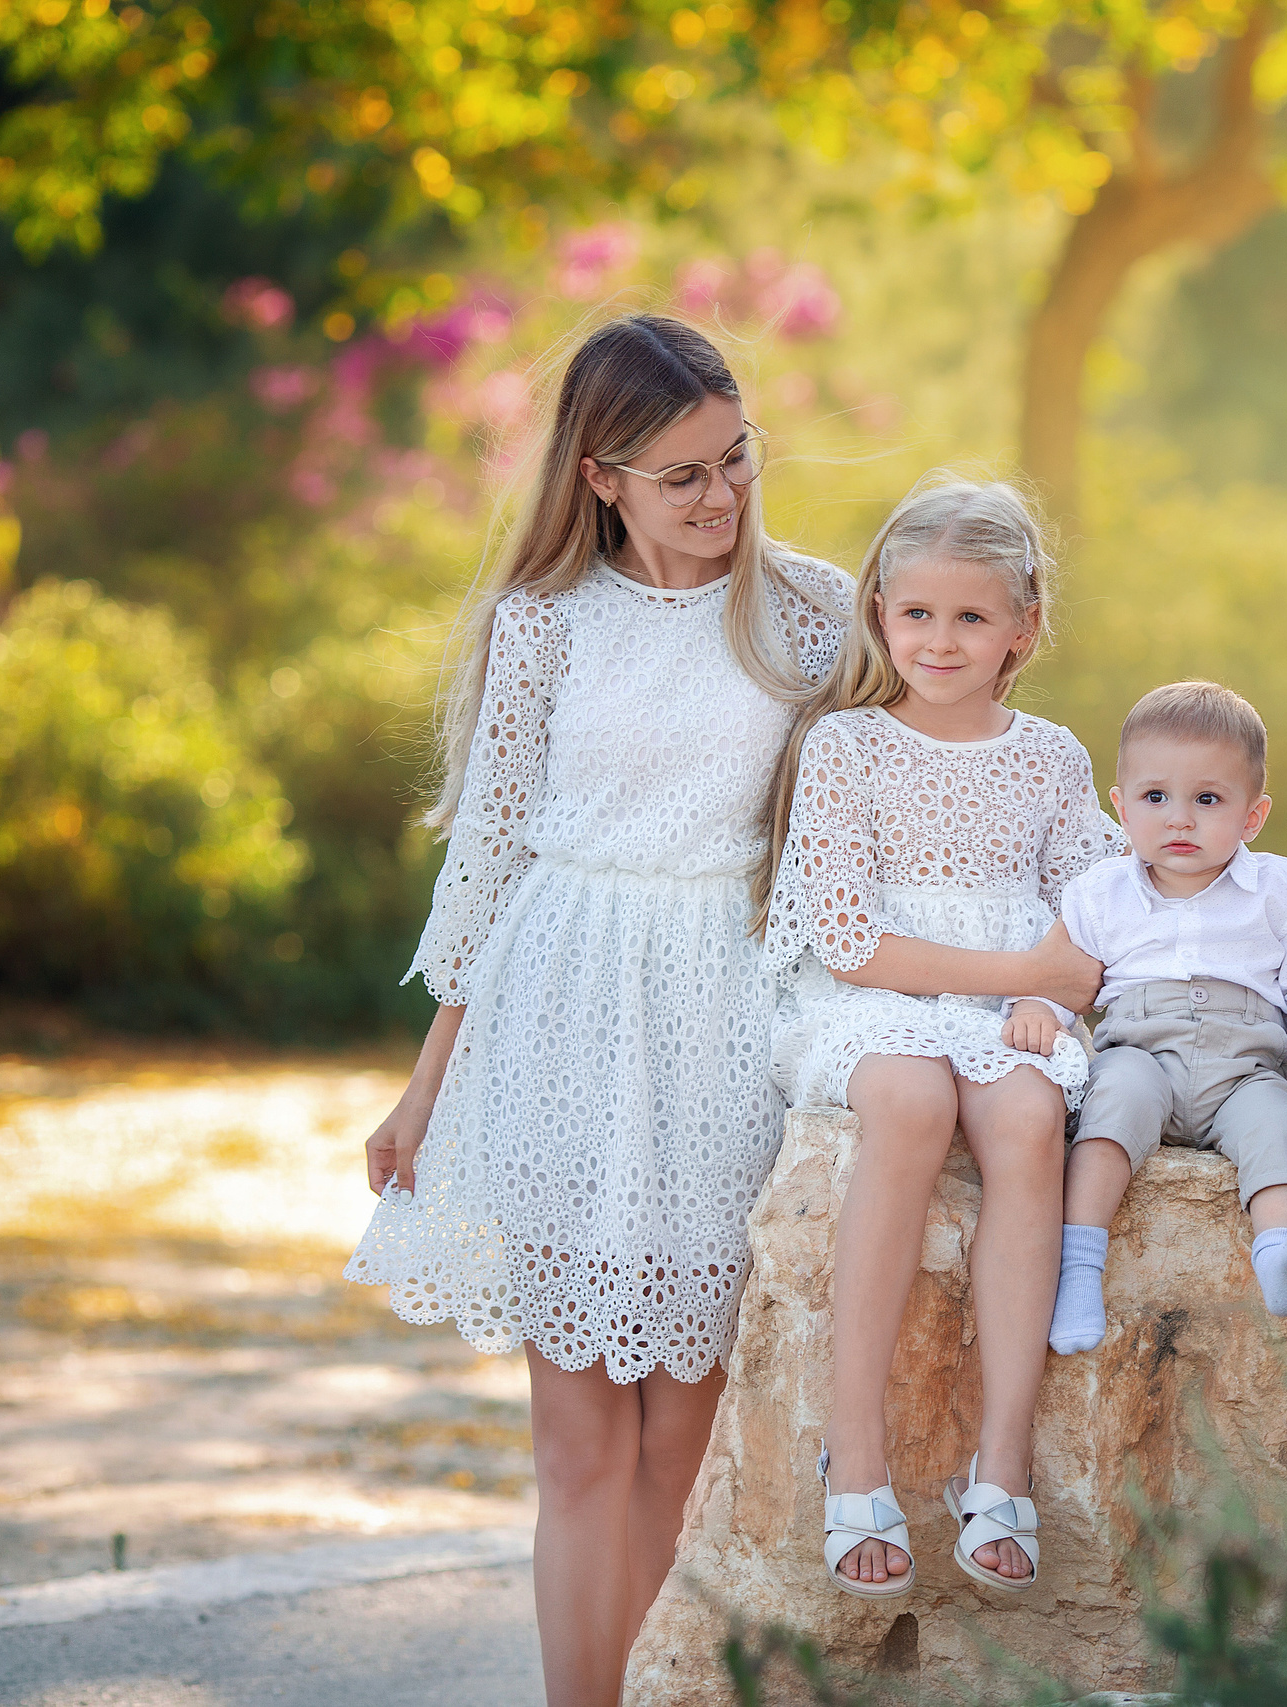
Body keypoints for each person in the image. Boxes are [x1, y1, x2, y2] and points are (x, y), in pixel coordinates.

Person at [348, 314, 852, 1704]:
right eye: (683, 473)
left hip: (716, 1022)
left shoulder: (814, 610)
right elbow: (491, 855)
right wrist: (424, 1082)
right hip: (553, 1010)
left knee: (682, 1442)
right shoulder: (544, 625)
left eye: (736, 459)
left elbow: (910, 779)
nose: (721, 496)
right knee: (577, 1439)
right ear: (600, 477)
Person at [760, 474, 1116, 1599]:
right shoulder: (847, 747)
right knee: (910, 1101)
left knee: (1024, 1116)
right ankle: (853, 1451)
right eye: (916, 613)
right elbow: (854, 944)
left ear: (1024, 627)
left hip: (1003, 1010)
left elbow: (1090, 920)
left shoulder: (1051, 757)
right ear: (879, 613)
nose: (941, 639)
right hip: (872, 998)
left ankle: (998, 1459)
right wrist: (1030, 973)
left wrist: (1051, 1004)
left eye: (971, 616)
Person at [1038, 681, 1287, 1359]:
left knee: (1278, 1126)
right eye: (1156, 797)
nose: (1179, 819)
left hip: (1246, 1068)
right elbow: (1059, 972)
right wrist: (1037, 1012)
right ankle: (1078, 1268)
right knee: (1111, 1106)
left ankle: (1279, 1250)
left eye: (1207, 799)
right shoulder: (1099, 893)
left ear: (1252, 815)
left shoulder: (1280, 886)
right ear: (1121, 807)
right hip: (1141, 1053)